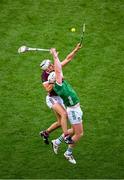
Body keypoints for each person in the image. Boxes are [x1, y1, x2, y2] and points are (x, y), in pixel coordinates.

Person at [39, 44, 82, 144]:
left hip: (60, 97)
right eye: (49, 66)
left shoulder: (55, 69)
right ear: (46, 69)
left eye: (51, 64)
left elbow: (68, 59)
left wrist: (75, 50)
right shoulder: (44, 76)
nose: (52, 66)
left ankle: (45, 133)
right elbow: (48, 90)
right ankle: (66, 136)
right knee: (64, 114)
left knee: (60, 122)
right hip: (52, 98)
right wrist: (52, 81)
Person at [49, 48, 83, 164]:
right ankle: (68, 153)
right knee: (79, 133)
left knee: (73, 129)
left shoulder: (60, 82)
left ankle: (57, 142)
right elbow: (58, 70)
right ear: (56, 79)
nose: (61, 74)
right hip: (74, 111)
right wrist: (54, 56)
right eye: (58, 76)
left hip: (75, 108)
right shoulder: (58, 85)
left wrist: (75, 50)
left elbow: (66, 61)